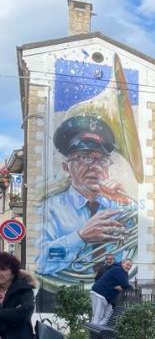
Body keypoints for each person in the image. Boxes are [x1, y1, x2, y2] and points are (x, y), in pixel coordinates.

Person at [36, 115, 132, 277]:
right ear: (66, 168)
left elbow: (136, 241)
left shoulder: (119, 206)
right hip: (69, 291)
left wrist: (124, 200)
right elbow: (41, 263)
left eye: (102, 161)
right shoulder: (49, 209)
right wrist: (80, 236)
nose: (95, 167)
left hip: (112, 287)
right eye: (86, 157)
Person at [89, 258, 133, 327]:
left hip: (105, 297)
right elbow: (127, 286)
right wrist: (125, 287)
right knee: (97, 316)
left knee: (108, 312)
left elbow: (124, 285)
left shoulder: (121, 271)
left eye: (130, 266)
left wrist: (122, 287)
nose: (129, 267)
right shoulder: (119, 270)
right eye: (127, 264)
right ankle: (94, 335)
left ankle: (99, 331)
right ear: (122, 263)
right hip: (100, 294)